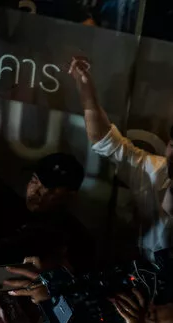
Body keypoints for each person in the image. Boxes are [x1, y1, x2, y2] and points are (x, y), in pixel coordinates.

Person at [70, 56, 171, 261]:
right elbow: (103, 140)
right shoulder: (153, 169)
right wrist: (86, 90)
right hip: (144, 271)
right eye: (172, 146)